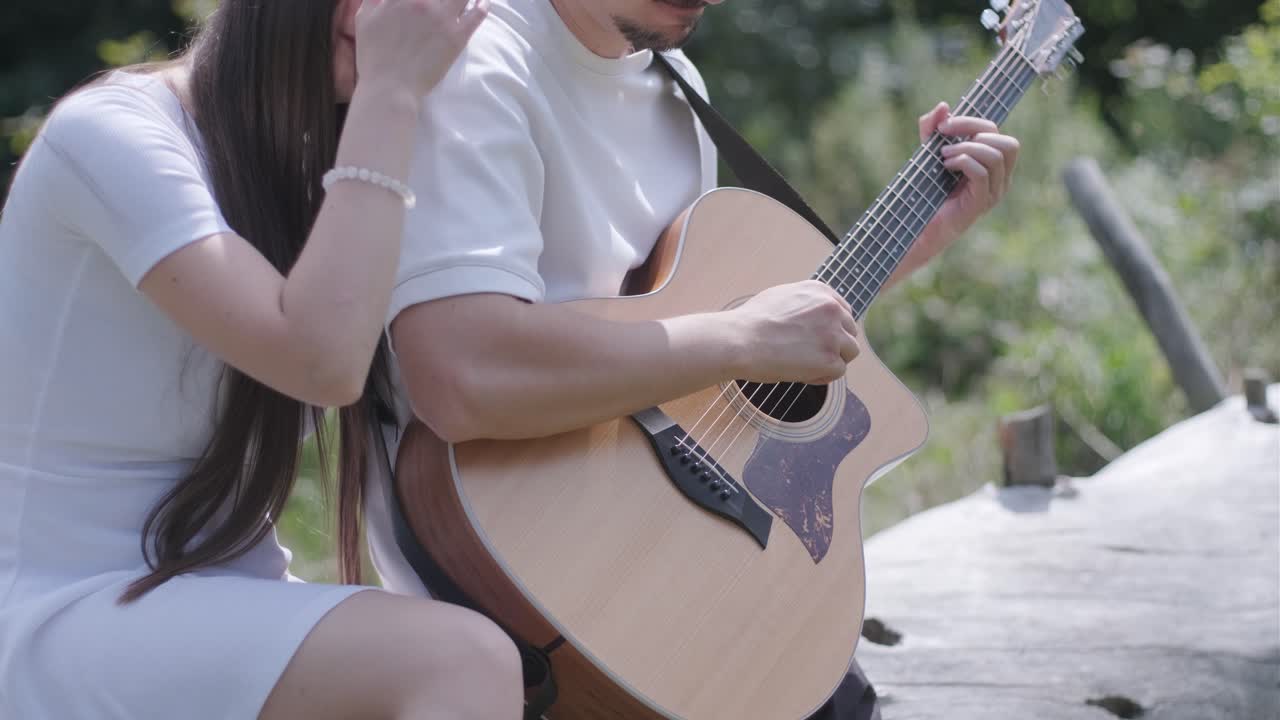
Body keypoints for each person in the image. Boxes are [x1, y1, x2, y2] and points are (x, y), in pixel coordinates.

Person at [363, 0, 1021, 717]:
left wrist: (906, 247)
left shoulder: (678, 88)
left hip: (688, 577)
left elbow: (691, 343)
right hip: (525, 584)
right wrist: (741, 339)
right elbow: (463, 375)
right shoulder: (474, 63)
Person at [0, 1, 529, 718]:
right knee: (461, 661)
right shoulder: (109, 136)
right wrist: (392, 92)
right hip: (59, 609)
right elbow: (323, 362)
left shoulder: (331, 165)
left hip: (218, 597)